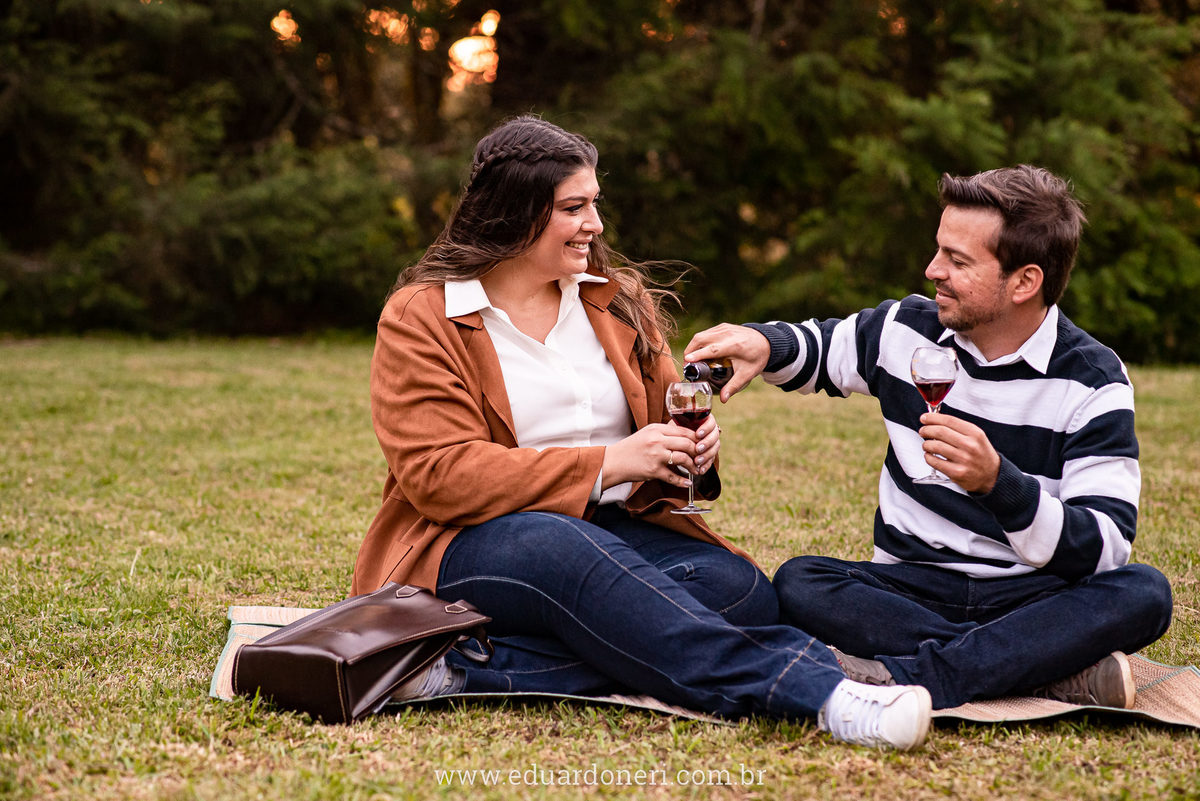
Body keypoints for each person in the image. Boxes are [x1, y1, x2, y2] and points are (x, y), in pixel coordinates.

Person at [351, 115, 933, 749]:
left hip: (617, 532)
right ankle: (818, 691)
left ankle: (463, 667)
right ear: (515, 215)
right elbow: (440, 476)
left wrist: (694, 453)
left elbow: (662, 428)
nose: (595, 224)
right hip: (476, 542)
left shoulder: (613, 298)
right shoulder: (425, 316)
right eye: (574, 208)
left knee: (740, 595)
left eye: (594, 203)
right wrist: (609, 462)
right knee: (565, 550)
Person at [684, 165, 1173, 711]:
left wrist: (1000, 485)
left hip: (1028, 594)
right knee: (802, 581)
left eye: (957, 261)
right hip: (909, 589)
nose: (932, 269)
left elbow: (1104, 546)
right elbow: (819, 347)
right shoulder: (906, 330)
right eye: (939, 250)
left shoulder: (1092, 379)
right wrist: (761, 342)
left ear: (1024, 282)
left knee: (1144, 593)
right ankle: (1037, 670)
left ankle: (914, 676)